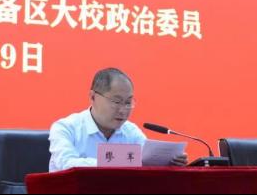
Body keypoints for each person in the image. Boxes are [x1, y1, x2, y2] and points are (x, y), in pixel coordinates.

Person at [49, 68, 188, 171]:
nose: (123, 110)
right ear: (93, 97)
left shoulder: (131, 131)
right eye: (116, 101)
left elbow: (145, 162)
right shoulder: (65, 128)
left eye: (128, 102)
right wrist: (113, 161)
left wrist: (169, 163)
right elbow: (67, 165)